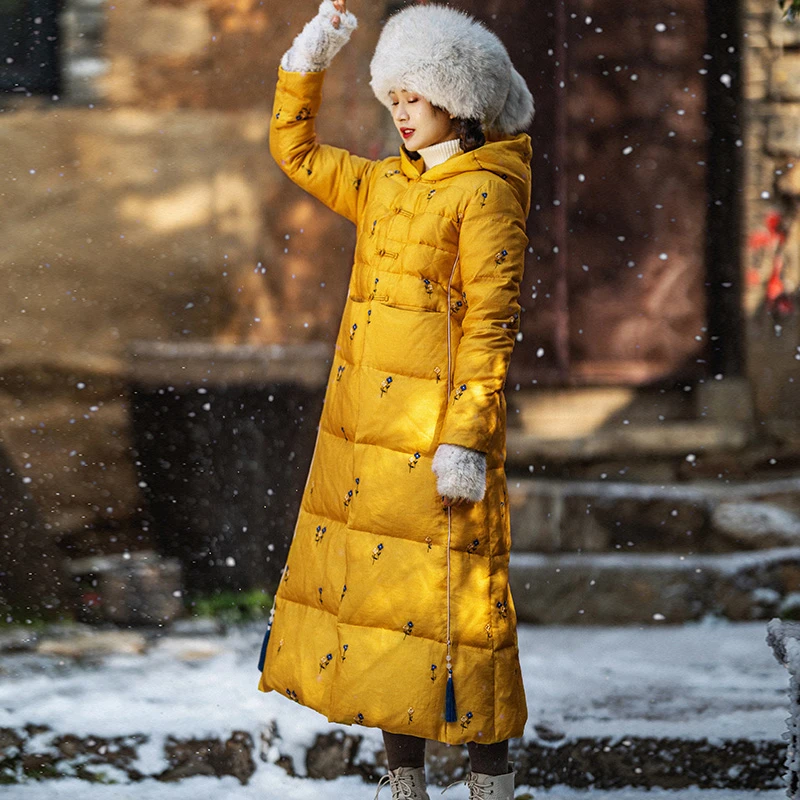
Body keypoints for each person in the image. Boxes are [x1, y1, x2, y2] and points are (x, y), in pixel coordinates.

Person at [256, 3, 535, 798]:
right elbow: (295, 147)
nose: (402, 113)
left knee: (460, 615)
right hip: (363, 440)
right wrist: (316, 49)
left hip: (436, 441)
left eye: (415, 96)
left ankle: (490, 785)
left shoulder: (484, 193)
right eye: (394, 100)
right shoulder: (384, 185)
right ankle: (402, 786)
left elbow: (491, 322)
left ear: (459, 98)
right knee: (385, 614)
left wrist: (467, 438)